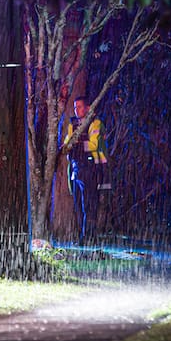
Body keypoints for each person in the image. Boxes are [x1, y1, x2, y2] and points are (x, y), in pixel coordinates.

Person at [65, 96, 108, 244]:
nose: (77, 110)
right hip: (76, 168)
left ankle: (90, 237)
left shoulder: (95, 123)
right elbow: (66, 143)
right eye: (75, 107)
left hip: (90, 168)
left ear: (88, 108)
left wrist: (76, 144)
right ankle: (83, 237)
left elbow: (94, 144)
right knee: (78, 203)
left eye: (80, 107)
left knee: (89, 204)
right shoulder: (73, 125)